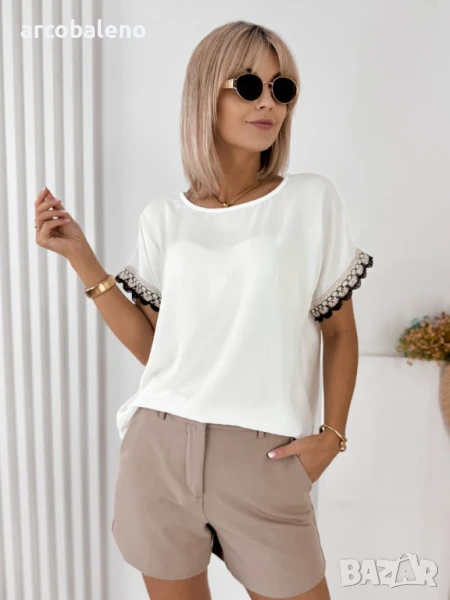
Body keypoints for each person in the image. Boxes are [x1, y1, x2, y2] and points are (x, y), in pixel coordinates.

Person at [34, 20, 373, 600]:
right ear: (204, 95)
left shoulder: (310, 200)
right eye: (250, 86)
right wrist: (82, 259)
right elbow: (157, 348)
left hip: (265, 456)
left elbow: (338, 332)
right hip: (160, 449)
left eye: (282, 89)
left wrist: (332, 436)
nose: (268, 104)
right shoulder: (164, 218)